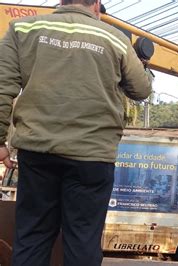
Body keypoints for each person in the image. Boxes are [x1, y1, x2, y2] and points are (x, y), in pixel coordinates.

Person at [0, 0, 152, 265]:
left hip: (37, 153)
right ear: (96, 4)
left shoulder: (21, 29)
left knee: (32, 237)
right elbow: (141, 90)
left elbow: (3, 86)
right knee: (82, 242)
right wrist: (143, 66)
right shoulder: (115, 38)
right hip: (92, 157)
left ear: (61, 1)